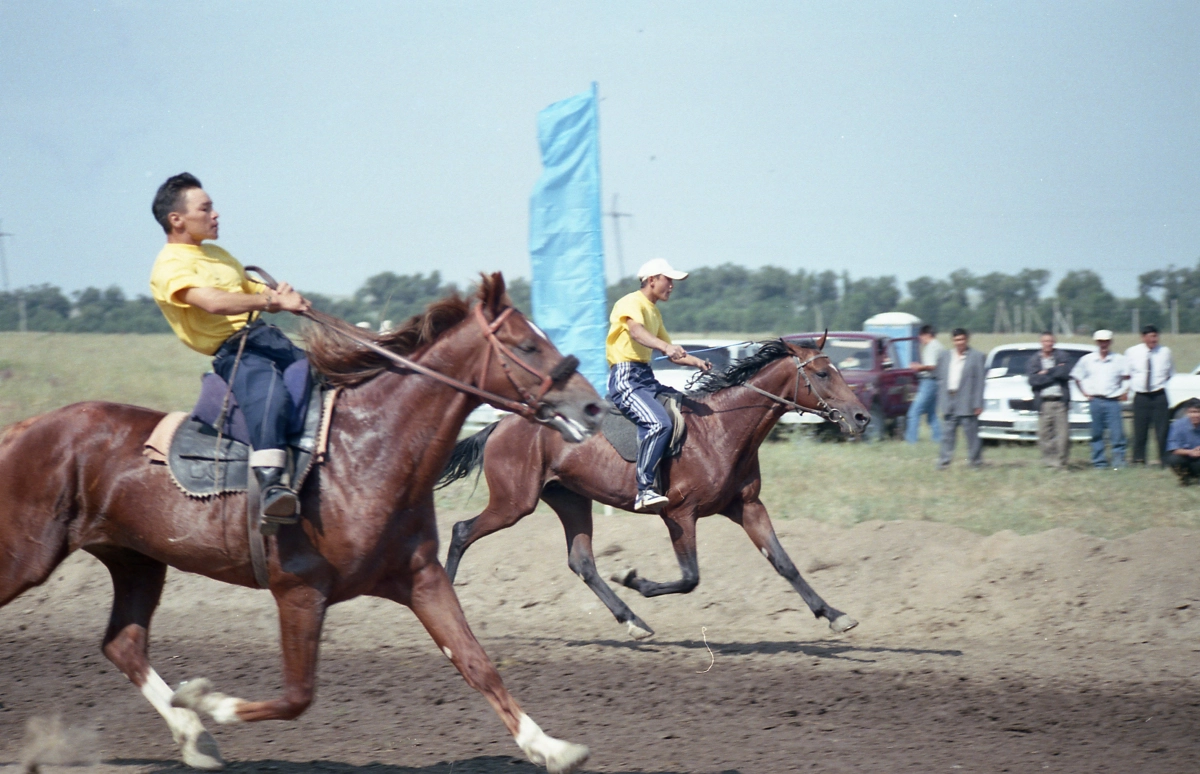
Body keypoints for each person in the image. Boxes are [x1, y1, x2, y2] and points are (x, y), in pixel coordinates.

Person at [149, 173, 312, 525]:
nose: (215, 214)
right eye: (205, 209)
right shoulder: (169, 266)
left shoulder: (218, 254)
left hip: (267, 338)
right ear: (176, 219)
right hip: (236, 353)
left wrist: (281, 295)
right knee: (270, 395)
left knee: (322, 375)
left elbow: (248, 286)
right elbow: (212, 301)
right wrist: (271, 300)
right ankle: (271, 488)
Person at [606, 258, 711, 512]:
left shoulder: (654, 312)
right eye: (668, 280)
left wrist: (697, 362)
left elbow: (673, 351)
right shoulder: (631, 302)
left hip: (645, 377)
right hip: (626, 379)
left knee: (685, 408)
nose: (672, 286)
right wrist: (665, 347)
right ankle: (644, 490)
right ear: (652, 280)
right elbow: (636, 332)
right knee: (657, 423)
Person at [1070, 329, 1129, 470]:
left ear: (1110, 342)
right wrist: (1085, 393)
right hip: (1095, 401)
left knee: (1117, 433)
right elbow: (1077, 377)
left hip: (1113, 401)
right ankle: (1099, 463)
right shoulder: (1087, 360)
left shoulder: (1119, 360)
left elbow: (1127, 378)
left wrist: (1123, 391)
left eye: (1106, 341)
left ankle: (1118, 463)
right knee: (1096, 433)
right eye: (1101, 342)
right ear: (1097, 342)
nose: (1103, 344)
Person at [935, 328, 986, 469]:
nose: (960, 343)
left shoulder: (977, 356)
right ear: (952, 341)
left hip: (967, 402)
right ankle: (943, 463)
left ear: (967, 339)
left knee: (971, 435)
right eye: (957, 340)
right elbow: (939, 379)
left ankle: (975, 463)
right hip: (949, 400)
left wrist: (978, 403)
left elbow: (980, 382)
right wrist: (941, 401)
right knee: (947, 435)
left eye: (962, 339)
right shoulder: (944, 356)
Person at [1126, 325, 1174, 467]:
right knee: (1140, 430)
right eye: (1151, 336)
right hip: (1141, 396)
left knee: (1162, 430)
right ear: (1143, 337)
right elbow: (1128, 374)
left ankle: (1164, 461)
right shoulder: (1132, 352)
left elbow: (1171, 373)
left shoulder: (1165, 352)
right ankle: (1139, 459)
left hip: (1159, 395)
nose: (1154, 339)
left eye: (1156, 336)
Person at [1025, 331, 1074, 468]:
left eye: (1050, 341)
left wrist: (1046, 372)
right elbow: (1033, 380)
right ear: (1041, 343)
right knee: (1045, 435)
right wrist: (1054, 373)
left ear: (1054, 342)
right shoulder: (1034, 360)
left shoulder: (1062, 356)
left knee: (1063, 436)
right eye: (1045, 341)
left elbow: (1066, 373)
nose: (1048, 344)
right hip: (1044, 402)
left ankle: (1061, 463)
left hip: (1060, 402)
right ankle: (1049, 463)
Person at [904, 324, 944, 444]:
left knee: (914, 412)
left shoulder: (931, 347)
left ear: (926, 335)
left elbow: (931, 366)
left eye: (920, 336)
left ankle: (911, 441)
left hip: (929, 382)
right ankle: (939, 439)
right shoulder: (939, 346)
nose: (920, 339)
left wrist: (918, 367)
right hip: (936, 382)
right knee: (931, 414)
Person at [1166, 399, 1200, 485]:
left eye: (1198, 412)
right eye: (1192, 412)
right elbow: (1173, 448)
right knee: (1174, 458)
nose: (1195, 415)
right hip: (1186, 459)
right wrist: (1190, 452)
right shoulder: (1177, 425)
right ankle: (1184, 477)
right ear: (1187, 412)